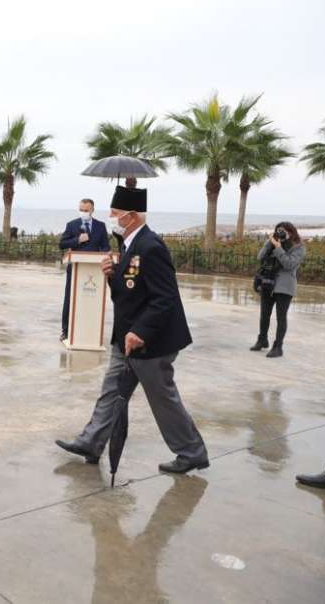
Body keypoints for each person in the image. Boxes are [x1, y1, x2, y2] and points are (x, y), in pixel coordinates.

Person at [55, 186, 209, 475]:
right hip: (125, 338)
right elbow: (130, 291)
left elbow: (164, 298)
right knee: (111, 392)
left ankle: (192, 452)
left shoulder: (151, 246)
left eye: (116, 215)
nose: (112, 219)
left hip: (150, 341)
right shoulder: (128, 246)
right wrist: (112, 275)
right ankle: (91, 442)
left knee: (163, 398)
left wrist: (140, 331)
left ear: (132, 216)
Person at [250, 222, 306, 358]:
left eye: (285, 231)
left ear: (292, 233)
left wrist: (279, 248)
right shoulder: (274, 243)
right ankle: (262, 340)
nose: (282, 233)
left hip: (285, 287)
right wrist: (270, 242)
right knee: (264, 315)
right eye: (279, 231)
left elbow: (289, 264)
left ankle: (278, 347)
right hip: (268, 283)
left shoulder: (299, 247)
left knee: (281, 317)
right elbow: (260, 257)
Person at [58, 198, 110, 340]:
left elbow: (106, 247)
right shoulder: (72, 225)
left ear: (92, 210)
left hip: (94, 270)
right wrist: (77, 240)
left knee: (91, 299)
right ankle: (66, 330)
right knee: (69, 298)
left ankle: (90, 329)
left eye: (86, 210)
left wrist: (103, 254)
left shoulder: (101, 226)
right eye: (81, 209)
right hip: (75, 268)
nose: (83, 212)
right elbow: (62, 244)